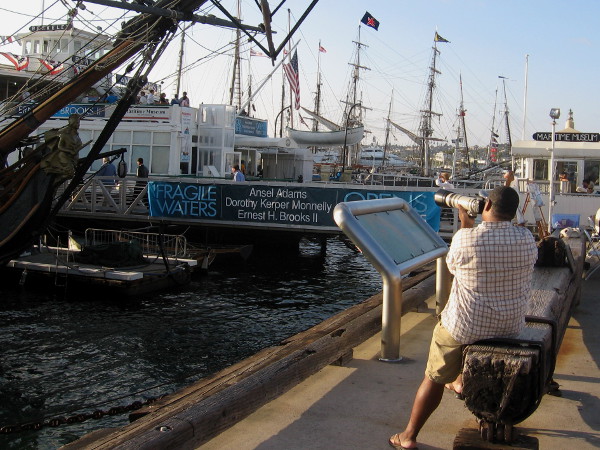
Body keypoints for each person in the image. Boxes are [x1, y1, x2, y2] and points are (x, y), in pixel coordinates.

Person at [389, 185, 538, 450]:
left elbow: (453, 266)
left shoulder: (467, 238)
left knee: (433, 374)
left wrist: (466, 226)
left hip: (466, 327)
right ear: (513, 213)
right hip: (509, 328)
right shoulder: (526, 239)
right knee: (461, 328)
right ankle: (458, 380)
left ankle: (409, 436)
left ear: (487, 207)